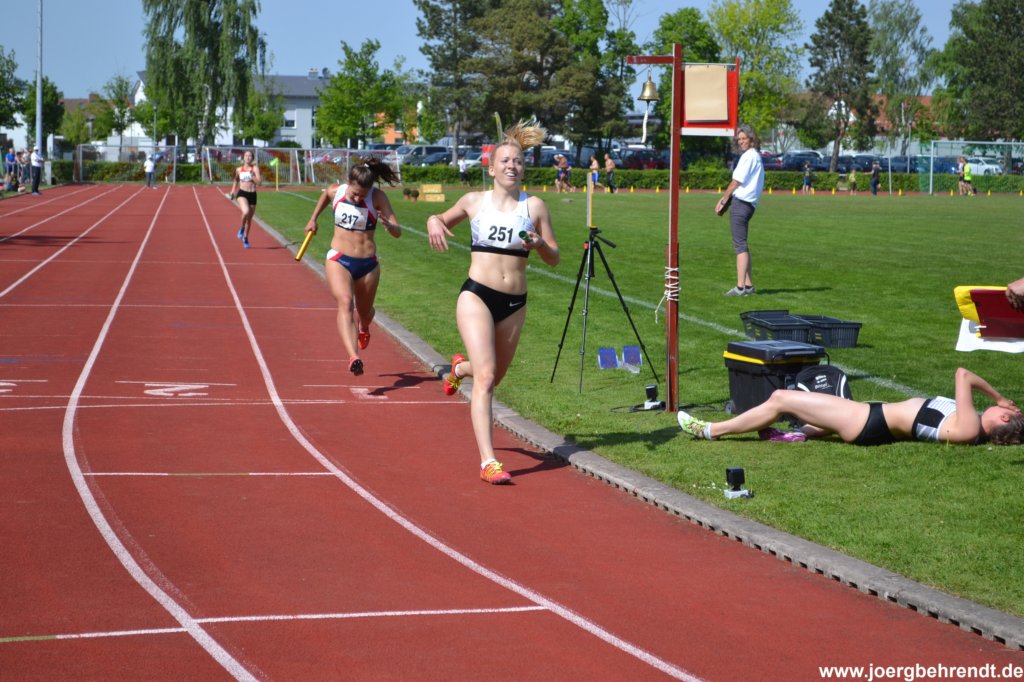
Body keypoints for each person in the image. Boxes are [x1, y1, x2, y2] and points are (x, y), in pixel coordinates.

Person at [426, 119, 560, 484]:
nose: (512, 166)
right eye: (505, 161)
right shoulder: (474, 201)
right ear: (491, 168)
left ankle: (459, 369)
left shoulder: (535, 207)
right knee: (486, 379)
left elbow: (554, 257)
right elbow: (439, 217)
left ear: (523, 168)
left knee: (494, 375)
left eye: (517, 161)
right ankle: (489, 461)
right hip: (477, 296)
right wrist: (434, 221)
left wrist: (540, 245)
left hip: (515, 303)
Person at [677, 367, 1023, 446]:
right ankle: (796, 435)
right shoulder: (970, 427)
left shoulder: (969, 428)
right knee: (815, 411)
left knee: (780, 398)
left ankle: (711, 430)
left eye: (1006, 409)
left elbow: (963, 374)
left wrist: (997, 397)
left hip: (865, 421)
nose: (1000, 406)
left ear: (1005, 417)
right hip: (871, 419)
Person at [303, 157, 402, 377]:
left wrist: (390, 226)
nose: (357, 199)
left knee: (365, 312)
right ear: (348, 183)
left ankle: (364, 326)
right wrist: (313, 219)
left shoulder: (377, 197)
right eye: (354, 194)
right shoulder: (336, 191)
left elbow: (398, 232)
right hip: (338, 258)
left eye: (362, 195)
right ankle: (353, 357)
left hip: (368, 264)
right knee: (346, 302)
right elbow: (325, 196)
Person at [715, 124, 764, 297]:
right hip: (749, 205)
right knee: (743, 244)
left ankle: (740, 287)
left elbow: (736, 182)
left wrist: (723, 200)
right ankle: (748, 286)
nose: (741, 142)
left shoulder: (748, 156)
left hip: (741, 204)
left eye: (744, 138)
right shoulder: (755, 156)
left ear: (751, 139)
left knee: (740, 246)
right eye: (739, 139)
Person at [228, 150, 262, 248]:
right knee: (246, 211)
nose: (248, 157)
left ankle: (246, 237)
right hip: (242, 193)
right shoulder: (239, 169)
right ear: (243, 157)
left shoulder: (255, 168)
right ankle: (242, 228)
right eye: (246, 155)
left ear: (252, 158)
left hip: (252, 195)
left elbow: (259, 183)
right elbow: (235, 180)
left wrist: (252, 176)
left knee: (249, 220)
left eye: (250, 156)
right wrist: (233, 190)